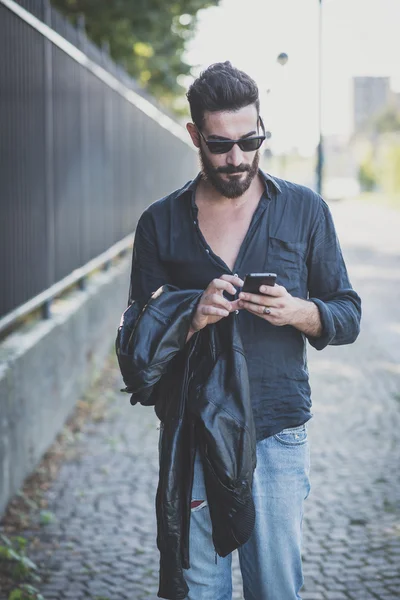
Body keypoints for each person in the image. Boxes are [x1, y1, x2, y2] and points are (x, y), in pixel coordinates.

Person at [126, 61, 361, 600]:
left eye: (249, 140)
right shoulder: (159, 223)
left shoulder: (305, 210)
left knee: (275, 589)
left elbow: (347, 312)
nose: (237, 158)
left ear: (261, 129)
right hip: (195, 433)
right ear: (195, 136)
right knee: (201, 590)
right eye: (220, 145)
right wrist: (191, 315)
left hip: (277, 431)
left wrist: (298, 312)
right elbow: (136, 344)